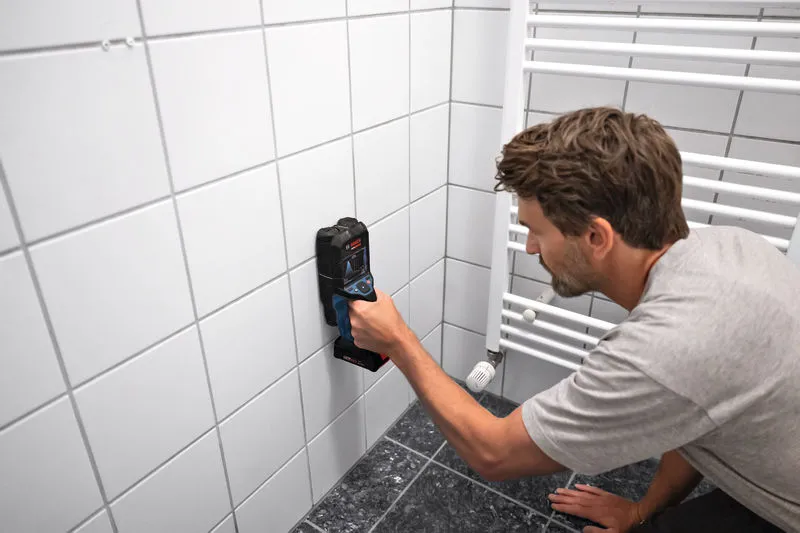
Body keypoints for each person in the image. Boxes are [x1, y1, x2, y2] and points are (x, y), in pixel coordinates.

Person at [347, 107, 799, 533]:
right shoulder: (729, 247)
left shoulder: (670, 347)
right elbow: (695, 409)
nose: (529, 248)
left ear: (596, 237)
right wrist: (641, 512)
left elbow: (493, 452)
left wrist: (400, 340)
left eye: (536, 231)